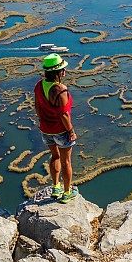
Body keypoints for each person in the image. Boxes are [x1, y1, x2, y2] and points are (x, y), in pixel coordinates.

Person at [33, 53, 78, 203]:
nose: (65, 71)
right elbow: (64, 114)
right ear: (57, 72)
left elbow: (37, 106)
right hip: (61, 130)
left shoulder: (39, 85)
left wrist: (43, 122)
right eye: (63, 69)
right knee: (66, 161)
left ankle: (55, 187)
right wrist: (71, 131)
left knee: (55, 156)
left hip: (46, 129)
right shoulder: (60, 90)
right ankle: (67, 193)